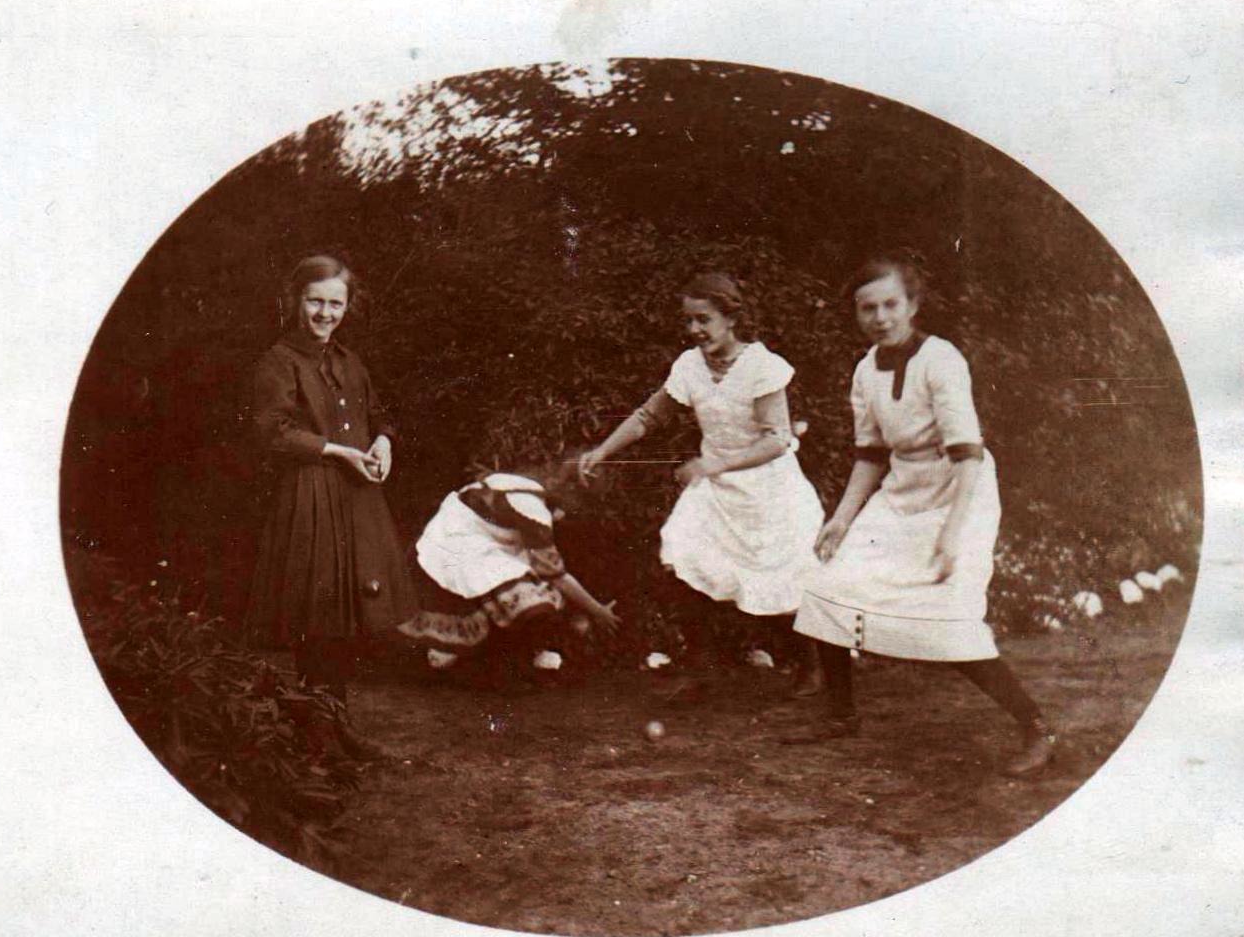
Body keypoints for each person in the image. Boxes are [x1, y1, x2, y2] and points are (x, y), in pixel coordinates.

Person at [787, 251, 1059, 778]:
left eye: (891, 304)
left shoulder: (942, 360)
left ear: (913, 305)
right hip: (903, 487)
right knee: (830, 581)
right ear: (857, 314)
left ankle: (1035, 725)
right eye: (868, 308)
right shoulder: (865, 370)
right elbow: (870, 453)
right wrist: (841, 520)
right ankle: (841, 715)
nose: (881, 317)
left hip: (961, 487)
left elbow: (967, 452)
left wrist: (954, 533)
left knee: (947, 612)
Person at [578, 271, 825, 693]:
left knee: (781, 579)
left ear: (730, 319)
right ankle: (699, 668)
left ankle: (812, 664)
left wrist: (714, 467)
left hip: (770, 492)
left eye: (704, 319)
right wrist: (602, 450)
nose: (695, 330)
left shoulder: (762, 367)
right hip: (718, 491)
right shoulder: (689, 366)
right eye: (689, 321)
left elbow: (777, 440)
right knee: (686, 560)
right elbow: (648, 416)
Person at [244, 255, 415, 731]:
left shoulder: (349, 362)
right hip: (310, 496)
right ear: (295, 300)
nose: (325, 313)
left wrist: (383, 440)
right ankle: (318, 730)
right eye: (315, 301)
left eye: (335, 303)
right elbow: (272, 432)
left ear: (347, 306)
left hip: (355, 498)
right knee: (318, 616)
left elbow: (380, 413)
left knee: (346, 617)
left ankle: (330, 726)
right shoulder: (278, 362)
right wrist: (336, 450)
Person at [397, 467, 621, 686]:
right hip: (458, 546)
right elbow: (557, 576)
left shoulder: (526, 484)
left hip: (452, 536)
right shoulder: (534, 512)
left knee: (523, 578)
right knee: (535, 595)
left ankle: (468, 651)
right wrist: (598, 611)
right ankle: (470, 654)